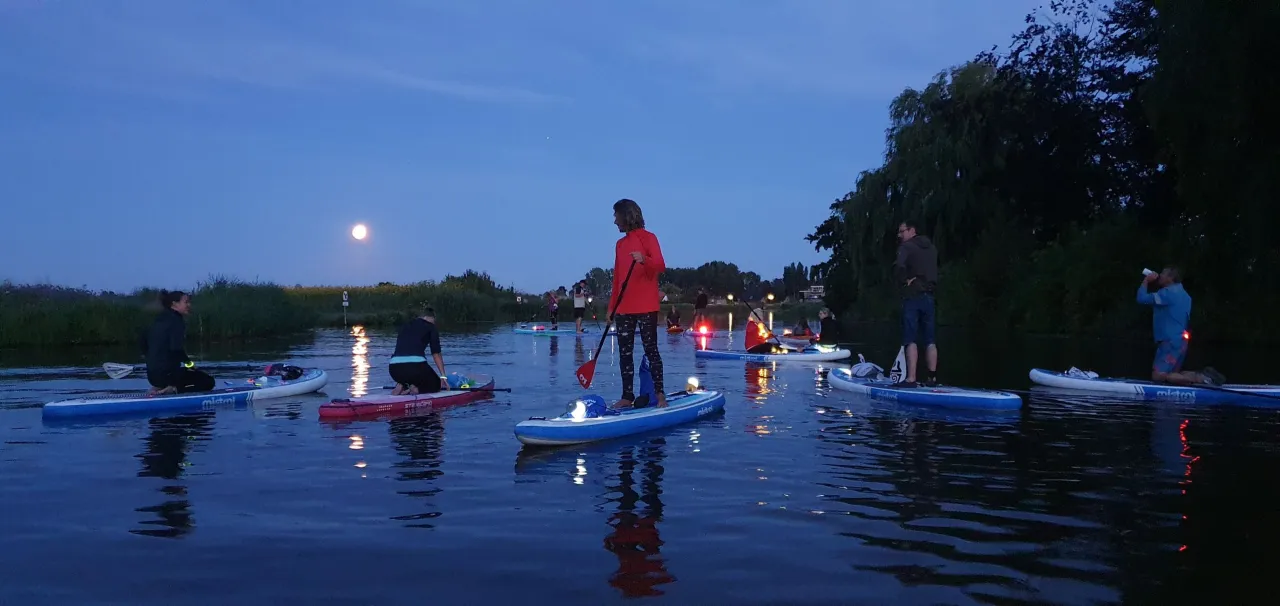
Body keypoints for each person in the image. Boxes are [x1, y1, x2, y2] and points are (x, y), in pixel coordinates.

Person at [609, 198, 668, 409]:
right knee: (625, 353)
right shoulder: (620, 245)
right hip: (623, 307)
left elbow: (660, 265)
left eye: (616, 216)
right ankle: (627, 395)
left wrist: (645, 259)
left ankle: (660, 394)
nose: (614, 221)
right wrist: (611, 308)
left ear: (627, 216)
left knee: (650, 349)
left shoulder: (649, 238)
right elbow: (617, 279)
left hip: (646, 306)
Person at [1137, 267, 1226, 386]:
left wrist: (1146, 281)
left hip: (1169, 341)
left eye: (1163, 274)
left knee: (1158, 375)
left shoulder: (1167, 293)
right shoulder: (1185, 296)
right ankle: (1202, 376)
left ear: (1171, 278)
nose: (1160, 276)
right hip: (1181, 340)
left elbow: (1141, 298)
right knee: (1173, 373)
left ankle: (1201, 379)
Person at [143, 290, 215, 395]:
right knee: (208, 382)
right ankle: (172, 389)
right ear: (174, 304)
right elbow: (176, 349)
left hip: (152, 376)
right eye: (186, 302)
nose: (189, 305)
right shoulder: (176, 321)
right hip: (168, 375)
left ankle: (158, 387)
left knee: (180, 372)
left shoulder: (158, 319)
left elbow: (143, 343)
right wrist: (190, 365)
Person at [894, 220, 938, 387]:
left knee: (910, 338)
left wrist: (905, 280)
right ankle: (932, 378)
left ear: (912, 230)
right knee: (930, 339)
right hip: (930, 295)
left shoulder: (907, 247)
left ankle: (911, 378)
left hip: (913, 295)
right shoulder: (932, 247)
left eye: (902, 231)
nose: (900, 235)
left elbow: (899, 266)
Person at [389, 305, 449, 396]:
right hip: (416, 367)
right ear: (431, 318)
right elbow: (436, 353)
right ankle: (415, 389)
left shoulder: (405, 326)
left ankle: (402, 384)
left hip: (394, 369)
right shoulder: (431, 327)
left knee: (412, 375)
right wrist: (443, 376)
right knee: (436, 384)